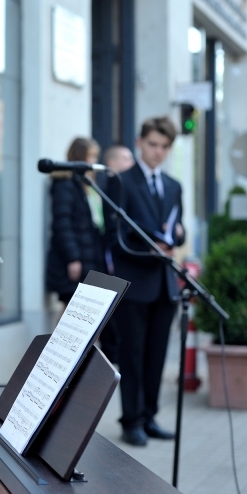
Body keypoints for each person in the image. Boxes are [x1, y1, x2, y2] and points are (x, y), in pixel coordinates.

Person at [104, 117, 185, 447]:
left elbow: (178, 228)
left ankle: (150, 416)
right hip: (135, 282)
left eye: (164, 147)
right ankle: (131, 420)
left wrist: (178, 236)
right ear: (140, 142)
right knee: (133, 356)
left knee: (157, 355)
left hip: (165, 284)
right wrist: (152, 249)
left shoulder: (173, 184)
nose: (158, 152)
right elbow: (115, 236)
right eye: (153, 144)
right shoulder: (120, 182)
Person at [44, 137, 106, 305]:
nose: (94, 161)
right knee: (72, 312)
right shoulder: (65, 184)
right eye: (90, 156)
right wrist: (73, 258)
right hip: (73, 260)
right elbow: (62, 223)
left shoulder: (86, 184)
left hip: (89, 258)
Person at [96, 144, 136, 363]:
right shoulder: (114, 185)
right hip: (109, 263)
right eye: (125, 158)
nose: (131, 163)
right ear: (112, 163)